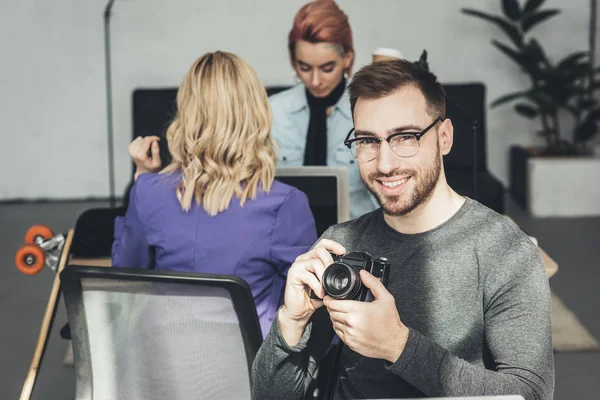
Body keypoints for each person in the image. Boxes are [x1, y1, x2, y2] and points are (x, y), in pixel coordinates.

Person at [252, 59, 554, 399]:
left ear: (444, 137)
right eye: (368, 141)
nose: (385, 164)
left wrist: (398, 345)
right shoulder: (340, 245)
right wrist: (290, 322)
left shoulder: (505, 251)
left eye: (405, 137)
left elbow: (529, 394)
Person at [111, 51, 317, 338]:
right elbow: (307, 310)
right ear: (256, 114)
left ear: (186, 114)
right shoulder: (285, 204)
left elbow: (121, 281)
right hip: (250, 378)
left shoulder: (147, 192)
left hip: (164, 373)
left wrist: (142, 178)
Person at [269, 0, 377, 219]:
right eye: (304, 68)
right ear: (293, 61)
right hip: (287, 237)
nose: (316, 81)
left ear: (347, 58)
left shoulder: (370, 110)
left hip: (358, 240)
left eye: (327, 68)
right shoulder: (273, 112)